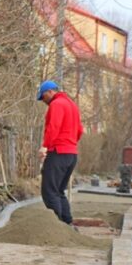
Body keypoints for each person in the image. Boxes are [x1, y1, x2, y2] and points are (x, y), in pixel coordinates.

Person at [37, 80, 83, 225]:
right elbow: (80, 130)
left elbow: (53, 127)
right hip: (71, 154)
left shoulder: (56, 104)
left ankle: (56, 226)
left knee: (49, 191)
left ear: (50, 91)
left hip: (58, 152)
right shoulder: (72, 105)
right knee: (59, 191)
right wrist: (71, 143)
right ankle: (67, 222)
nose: (43, 101)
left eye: (43, 97)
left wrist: (45, 146)